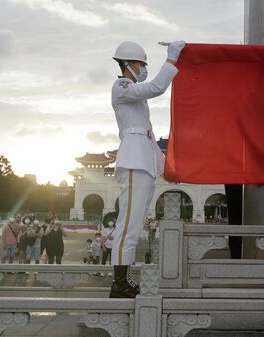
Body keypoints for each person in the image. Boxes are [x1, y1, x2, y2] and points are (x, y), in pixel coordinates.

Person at [109, 40, 185, 298]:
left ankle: (124, 278)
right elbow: (156, 87)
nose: (143, 68)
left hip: (143, 162)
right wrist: (171, 61)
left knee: (134, 223)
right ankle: (119, 283)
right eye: (141, 64)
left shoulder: (137, 98)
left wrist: (166, 170)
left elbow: (151, 139)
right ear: (128, 64)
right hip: (133, 161)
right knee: (128, 223)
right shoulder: (121, 86)